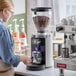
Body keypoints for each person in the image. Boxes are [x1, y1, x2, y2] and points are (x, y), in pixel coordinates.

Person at [0, 0, 31, 76]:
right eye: (11, 12)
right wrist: (22, 58)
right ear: (4, 11)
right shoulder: (2, 30)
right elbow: (9, 59)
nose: (12, 15)